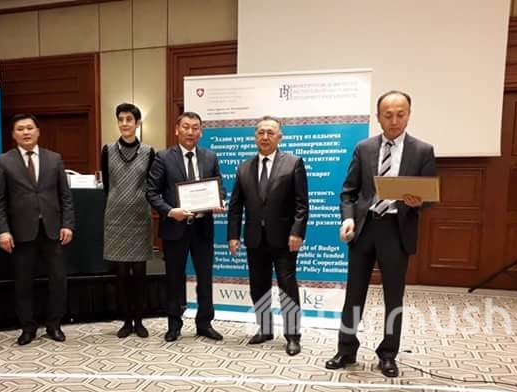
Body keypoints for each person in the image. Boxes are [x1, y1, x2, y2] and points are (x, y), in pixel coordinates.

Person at [327, 90, 436, 377]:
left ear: (409, 115)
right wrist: (347, 219)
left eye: (400, 114)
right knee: (354, 294)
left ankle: (388, 353)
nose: (395, 120)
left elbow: (430, 196)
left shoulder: (422, 150)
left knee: (393, 297)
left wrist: (419, 201)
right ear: (378, 117)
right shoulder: (364, 148)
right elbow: (349, 193)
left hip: (396, 230)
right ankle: (346, 349)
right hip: (364, 229)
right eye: (388, 115)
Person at [0, 113, 75, 346]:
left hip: (52, 230)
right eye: (20, 129)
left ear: (38, 131)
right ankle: (28, 328)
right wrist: (3, 230)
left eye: (29, 128)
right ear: (13, 134)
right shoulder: (3, 161)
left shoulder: (54, 159)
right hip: (20, 233)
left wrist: (67, 224)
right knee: (23, 283)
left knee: (58, 280)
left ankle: (54, 325)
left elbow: (65, 196)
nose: (25, 132)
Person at [227, 116, 308, 356]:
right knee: (258, 286)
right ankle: (265, 329)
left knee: (287, 287)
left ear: (279, 137)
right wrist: (233, 235)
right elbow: (235, 206)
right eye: (261, 132)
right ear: (255, 136)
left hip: (284, 239)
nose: (265, 137)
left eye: (270, 133)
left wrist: (297, 232)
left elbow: (302, 204)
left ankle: (293, 336)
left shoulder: (293, 163)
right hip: (254, 239)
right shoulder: (244, 167)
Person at [146, 111, 226, 342]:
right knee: (174, 278)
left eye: (195, 128)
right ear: (177, 129)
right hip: (175, 227)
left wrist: (219, 201)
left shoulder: (210, 157)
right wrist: (171, 211)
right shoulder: (163, 157)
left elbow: (219, 187)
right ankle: (174, 325)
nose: (190, 132)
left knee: (205, 278)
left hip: (203, 227)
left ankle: (205, 324)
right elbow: (151, 192)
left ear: (201, 131)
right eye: (186, 127)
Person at [102, 103, 155, 338]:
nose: (124, 124)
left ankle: (139, 321)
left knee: (140, 274)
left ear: (137, 123)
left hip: (139, 218)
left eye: (129, 120)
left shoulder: (149, 152)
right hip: (115, 218)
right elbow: (107, 185)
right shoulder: (107, 150)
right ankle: (126, 321)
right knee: (121, 275)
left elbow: (151, 185)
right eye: (121, 119)